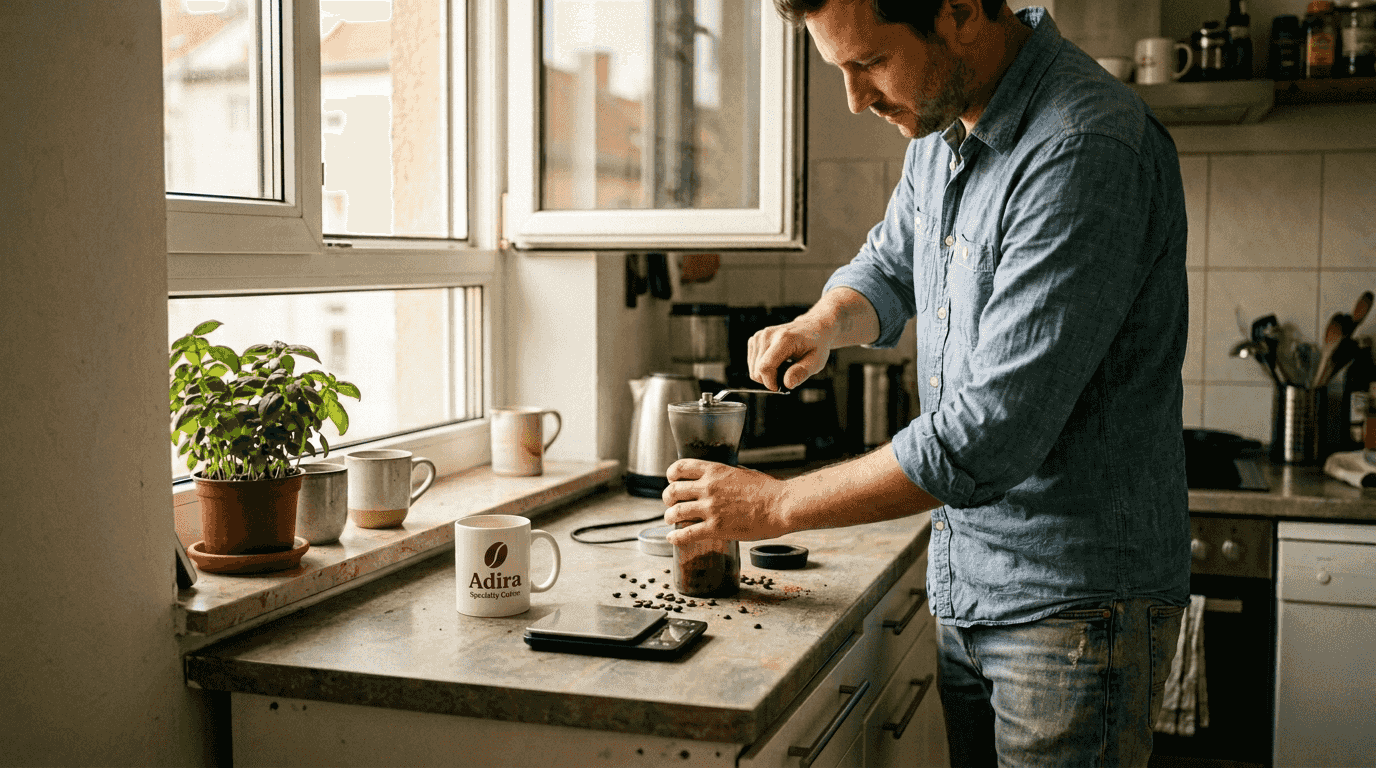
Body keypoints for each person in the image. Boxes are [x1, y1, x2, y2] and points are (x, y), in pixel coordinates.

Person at [661, 1, 1191, 765]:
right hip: (968, 583)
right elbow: (894, 257)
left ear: (961, 13)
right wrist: (825, 319)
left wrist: (772, 504)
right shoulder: (942, 124)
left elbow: (987, 437)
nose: (854, 98)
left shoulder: (1084, 146)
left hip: (1075, 611)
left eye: (869, 63)